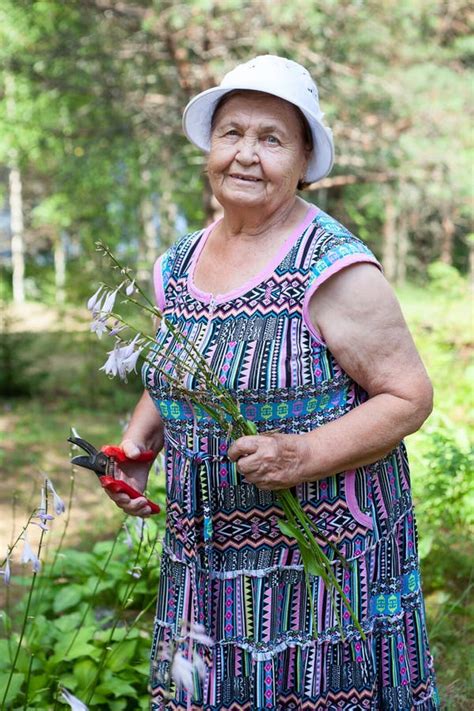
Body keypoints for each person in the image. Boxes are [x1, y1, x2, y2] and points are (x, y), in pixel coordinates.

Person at [105, 55, 439, 710]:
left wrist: (302, 455)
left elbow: (410, 397)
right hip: (204, 560)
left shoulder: (334, 267)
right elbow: (183, 370)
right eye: (233, 133)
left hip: (321, 561)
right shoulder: (177, 264)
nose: (246, 155)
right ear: (210, 146)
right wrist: (136, 447)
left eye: (271, 138)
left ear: (305, 159)